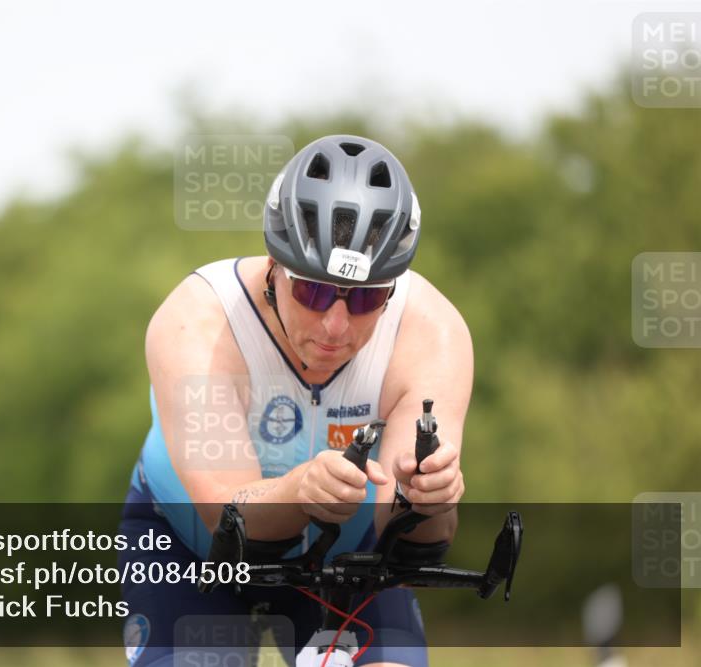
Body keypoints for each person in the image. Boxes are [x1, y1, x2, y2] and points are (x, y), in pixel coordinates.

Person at [119, 135, 472, 667]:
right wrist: (298, 490)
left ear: (392, 290)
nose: (335, 325)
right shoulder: (200, 320)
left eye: (365, 297)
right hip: (192, 549)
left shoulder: (431, 332)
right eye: (314, 291)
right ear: (274, 268)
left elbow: (413, 545)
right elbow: (226, 522)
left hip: (347, 558)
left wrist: (429, 503)